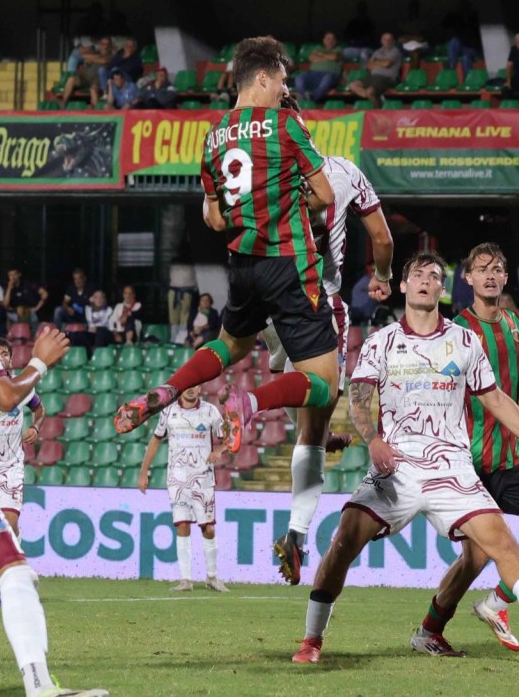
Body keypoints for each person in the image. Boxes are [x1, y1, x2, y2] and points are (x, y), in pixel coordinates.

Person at [292, 251, 519, 664]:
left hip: (452, 468)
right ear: (405, 286)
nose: (427, 280)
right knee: (342, 543)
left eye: (434, 276)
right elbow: (359, 400)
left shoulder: (464, 341)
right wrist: (373, 440)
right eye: (418, 275)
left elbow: (496, 398)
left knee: (501, 542)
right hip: (397, 467)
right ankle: (312, 638)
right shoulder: (381, 342)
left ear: (443, 289)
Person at [114, 36, 340, 463]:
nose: (284, 90)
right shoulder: (288, 125)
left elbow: (215, 220)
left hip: (243, 266)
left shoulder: (214, 137)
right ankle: (248, 404)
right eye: (281, 82)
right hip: (290, 264)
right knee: (325, 385)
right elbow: (325, 196)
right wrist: (290, 198)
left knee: (231, 346)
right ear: (260, 77)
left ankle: (171, 387)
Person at [410, 243, 519, 654]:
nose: (490, 275)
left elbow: (516, 389)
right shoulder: (455, 333)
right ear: (466, 278)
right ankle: (429, 631)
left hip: (511, 459)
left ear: (504, 276)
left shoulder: (517, 324)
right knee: (475, 559)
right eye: (481, 269)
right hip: (469, 465)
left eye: (497, 269)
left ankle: (497, 604)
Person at [0, 229, 109, 697]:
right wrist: (41, 361)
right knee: (13, 571)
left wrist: (33, 421)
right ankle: (40, 687)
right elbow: (6, 394)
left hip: (3, 474)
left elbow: (26, 404)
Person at [266, 153, 393, 586]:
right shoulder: (342, 171)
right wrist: (384, 275)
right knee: (316, 413)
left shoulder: (257, 168)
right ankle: (296, 537)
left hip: (264, 299)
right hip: (316, 302)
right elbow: (382, 237)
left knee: (294, 391)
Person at [138, 384, 229, 593]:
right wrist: (144, 472)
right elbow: (155, 440)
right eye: (187, 386)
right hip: (177, 478)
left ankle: (212, 577)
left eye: (195, 386)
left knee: (209, 528)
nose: (190, 390)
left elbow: (228, 437)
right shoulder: (168, 411)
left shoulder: (210, 411)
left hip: (203, 478)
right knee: (182, 526)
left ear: (201, 389)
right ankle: (186, 580)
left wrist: (220, 449)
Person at [0, 338, 44, 537]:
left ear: (10, 361)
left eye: (5, 353)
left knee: (6, 523)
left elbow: (39, 409)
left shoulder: (21, 387)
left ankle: (14, 542)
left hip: (9, 467)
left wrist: (36, 426)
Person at [347, 32, 401, 106]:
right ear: (381, 41)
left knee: (370, 91)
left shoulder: (395, 51)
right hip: (373, 77)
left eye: (389, 39)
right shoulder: (377, 51)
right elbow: (369, 65)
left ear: (393, 41)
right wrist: (381, 62)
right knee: (353, 85)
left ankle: (378, 110)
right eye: (385, 39)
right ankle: (375, 97)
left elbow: (387, 63)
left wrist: (376, 62)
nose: (387, 41)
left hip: (387, 79)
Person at [59, 36, 113, 108]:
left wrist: (93, 58)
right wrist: (97, 58)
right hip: (84, 77)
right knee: (71, 79)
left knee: (93, 89)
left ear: (110, 45)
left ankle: (96, 111)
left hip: (96, 80)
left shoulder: (111, 55)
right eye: (103, 44)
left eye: (107, 44)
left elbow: (104, 61)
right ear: (100, 44)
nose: (105, 46)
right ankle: (64, 103)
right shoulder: (95, 52)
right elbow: (84, 55)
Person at [295, 32, 343, 103]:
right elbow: (311, 57)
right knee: (299, 77)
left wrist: (320, 55)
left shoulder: (339, 49)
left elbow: (335, 57)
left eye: (333, 39)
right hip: (313, 75)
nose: (330, 41)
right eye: (328, 39)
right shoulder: (318, 48)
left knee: (327, 78)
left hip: (330, 75)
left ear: (335, 41)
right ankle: (304, 96)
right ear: (324, 40)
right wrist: (328, 57)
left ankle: (312, 98)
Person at [96, 38, 142, 104]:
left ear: (134, 48)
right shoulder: (120, 56)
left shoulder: (136, 58)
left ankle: (113, 93)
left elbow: (128, 69)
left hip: (127, 78)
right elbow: (110, 66)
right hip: (115, 76)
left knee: (115, 70)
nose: (127, 48)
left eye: (130, 46)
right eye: (126, 46)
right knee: (102, 69)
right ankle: (105, 93)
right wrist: (123, 58)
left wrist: (126, 58)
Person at [442, 0, 480, 77]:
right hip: (462, 46)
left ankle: (468, 79)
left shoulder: (474, 18)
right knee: (454, 41)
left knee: (465, 57)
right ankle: (451, 66)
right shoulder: (458, 19)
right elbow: (444, 24)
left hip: (473, 48)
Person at [68, 290, 112, 356]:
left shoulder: (109, 310)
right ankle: (75, 356)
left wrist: (97, 328)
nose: (99, 299)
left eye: (101, 297)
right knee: (77, 334)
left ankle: (95, 356)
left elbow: (111, 327)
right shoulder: (87, 309)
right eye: (96, 297)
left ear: (104, 299)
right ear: (92, 299)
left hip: (105, 334)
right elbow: (75, 305)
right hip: (91, 334)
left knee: (101, 331)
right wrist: (87, 301)